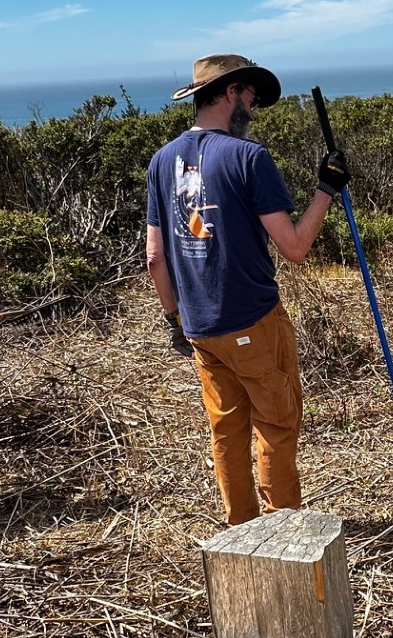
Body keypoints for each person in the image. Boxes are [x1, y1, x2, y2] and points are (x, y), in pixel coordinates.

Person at [145, 54, 350, 526]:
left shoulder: (161, 162)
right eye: (251, 99)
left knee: (227, 431)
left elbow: (155, 257)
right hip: (252, 321)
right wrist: (327, 188)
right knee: (276, 428)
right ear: (232, 91)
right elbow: (295, 248)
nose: (252, 112)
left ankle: (242, 531)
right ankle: (282, 536)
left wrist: (175, 320)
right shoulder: (248, 157)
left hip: (199, 327)